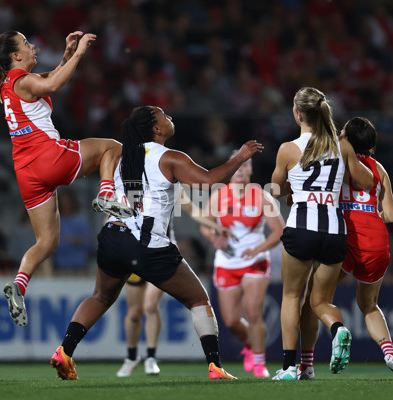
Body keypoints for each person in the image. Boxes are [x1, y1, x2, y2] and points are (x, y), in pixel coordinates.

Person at [49, 105, 263, 380]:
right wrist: (241, 157)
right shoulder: (170, 158)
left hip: (112, 236)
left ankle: (65, 351)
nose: (170, 117)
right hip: (146, 244)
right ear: (156, 129)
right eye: (165, 116)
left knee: (100, 297)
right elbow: (210, 180)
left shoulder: (120, 155)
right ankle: (215, 366)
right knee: (199, 300)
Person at [0, 30, 132, 327]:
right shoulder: (23, 80)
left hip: (26, 171)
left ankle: (19, 286)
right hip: (47, 156)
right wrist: (82, 52)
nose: (33, 46)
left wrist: (67, 54)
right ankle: (108, 194)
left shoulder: (12, 83)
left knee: (46, 242)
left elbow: (54, 75)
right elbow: (56, 83)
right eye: (26, 44)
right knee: (113, 147)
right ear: (16, 56)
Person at [298, 117, 393, 381]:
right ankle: (390, 354)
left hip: (346, 236)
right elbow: (392, 216)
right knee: (369, 304)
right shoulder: (380, 169)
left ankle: (307, 365)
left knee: (314, 300)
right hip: (377, 241)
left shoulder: (337, 161)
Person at [270, 87, 373, 380]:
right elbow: (365, 182)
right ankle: (322, 349)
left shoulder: (288, 149)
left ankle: (290, 367)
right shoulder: (342, 146)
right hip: (335, 231)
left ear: (298, 113)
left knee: (291, 297)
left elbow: (275, 190)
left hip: (302, 227)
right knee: (319, 302)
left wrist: (295, 188)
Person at [116, 190, 234, 377]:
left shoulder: (167, 187)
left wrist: (215, 227)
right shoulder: (132, 187)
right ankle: (131, 357)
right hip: (135, 255)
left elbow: (193, 211)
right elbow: (113, 216)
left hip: (161, 255)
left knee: (150, 306)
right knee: (133, 313)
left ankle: (151, 357)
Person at [199, 154, 284, 378]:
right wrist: (213, 238)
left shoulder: (262, 196)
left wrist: (258, 250)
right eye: (236, 165)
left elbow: (279, 231)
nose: (239, 169)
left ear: (250, 171)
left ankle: (259, 362)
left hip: (255, 260)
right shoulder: (218, 196)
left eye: (244, 165)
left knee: (254, 311)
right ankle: (250, 343)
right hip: (226, 262)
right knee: (231, 320)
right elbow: (205, 225)